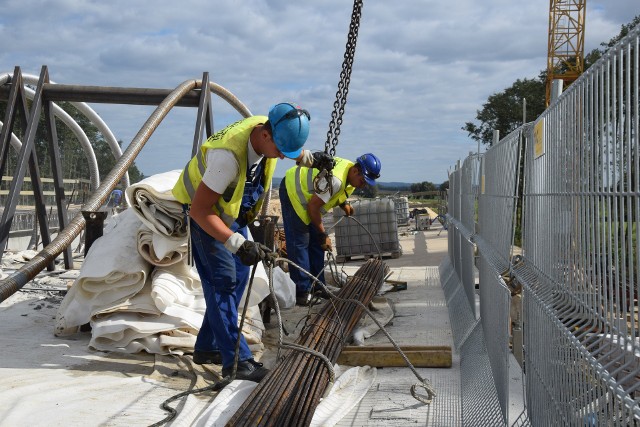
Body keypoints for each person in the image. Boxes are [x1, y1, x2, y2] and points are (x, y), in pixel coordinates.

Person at [171, 102, 333, 382]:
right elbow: (200, 211)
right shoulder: (227, 159)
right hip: (204, 215)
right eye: (280, 151)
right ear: (266, 136)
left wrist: (310, 159)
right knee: (222, 281)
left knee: (240, 277)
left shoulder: (267, 128)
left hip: (230, 215)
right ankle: (238, 362)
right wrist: (236, 243)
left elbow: (287, 149)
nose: (282, 158)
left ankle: (208, 346)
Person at [279, 153, 382, 306]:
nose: (363, 185)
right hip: (293, 191)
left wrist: (343, 204)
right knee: (300, 243)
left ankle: (318, 287)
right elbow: (313, 207)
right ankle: (302, 292)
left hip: (311, 200)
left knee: (317, 245)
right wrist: (323, 234)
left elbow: (336, 193)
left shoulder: (349, 173)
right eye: (362, 181)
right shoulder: (336, 179)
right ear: (355, 171)